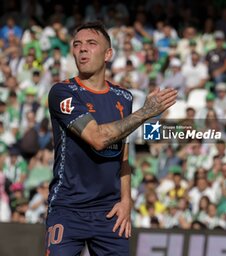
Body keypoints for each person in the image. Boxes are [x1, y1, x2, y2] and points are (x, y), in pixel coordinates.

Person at [45, 21, 177, 256]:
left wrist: (126, 201)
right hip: (68, 208)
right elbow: (97, 138)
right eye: (77, 44)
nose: (82, 49)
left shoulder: (123, 97)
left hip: (110, 212)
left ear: (108, 54)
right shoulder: (62, 92)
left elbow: (122, 154)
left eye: (91, 43)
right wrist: (145, 112)